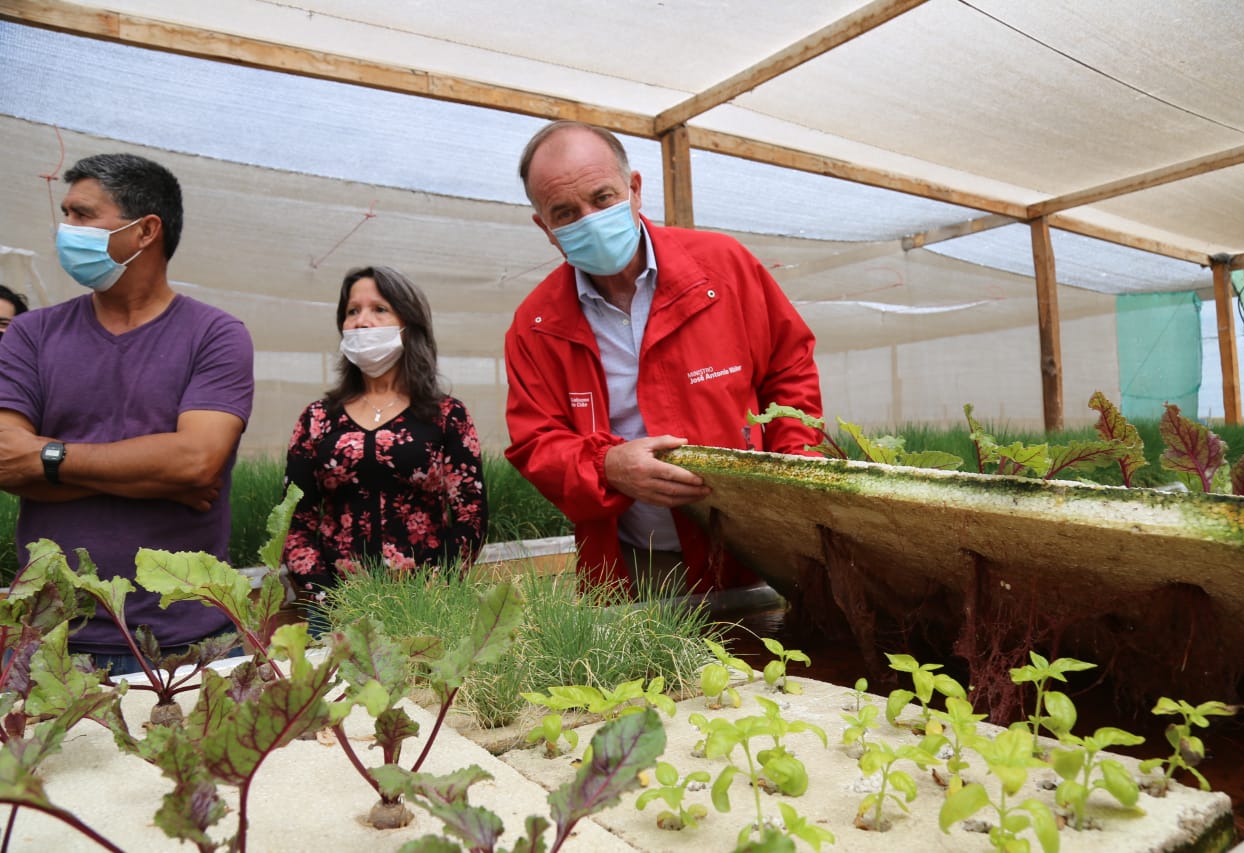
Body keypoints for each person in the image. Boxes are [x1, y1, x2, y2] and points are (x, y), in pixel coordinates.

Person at [505, 121, 824, 595]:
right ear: (545, 228)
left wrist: (793, 474)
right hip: (634, 558)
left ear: (634, 189)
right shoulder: (536, 325)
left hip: (753, 546)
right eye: (565, 213)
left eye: (602, 198)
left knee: (766, 637)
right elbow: (536, 443)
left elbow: (789, 369)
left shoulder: (724, 267)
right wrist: (608, 466)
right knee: (644, 644)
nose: (590, 220)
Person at [0, 153, 254, 674]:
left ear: (145, 231)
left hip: (191, 643)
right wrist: (156, 479)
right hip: (51, 643)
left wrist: (47, 458)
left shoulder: (215, 335)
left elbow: (195, 463)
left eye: (83, 214)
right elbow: (5, 459)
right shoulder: (31, 334)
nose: (66, 229)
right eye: (66, 214)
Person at [283, 265, 488, 614]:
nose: (362, 322)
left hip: (428, 607)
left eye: (379, 309)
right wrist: (329, 599)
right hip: (336, 610)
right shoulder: (317, 418)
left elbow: (471, 517)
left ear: (408, 324)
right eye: (352, 311)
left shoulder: (446, 416)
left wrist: (433, 591)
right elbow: (295, 523)